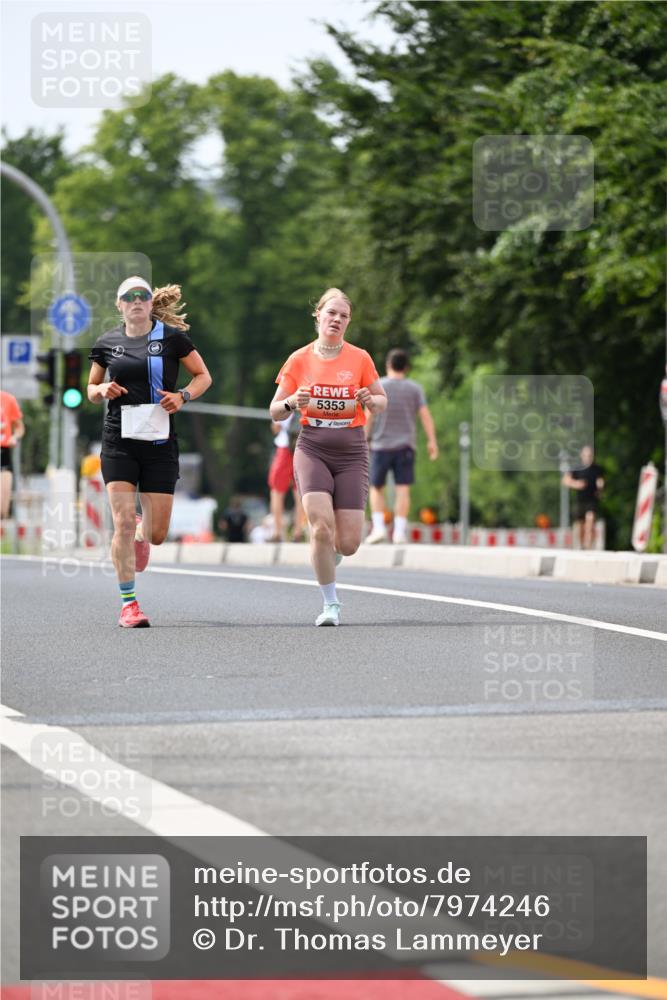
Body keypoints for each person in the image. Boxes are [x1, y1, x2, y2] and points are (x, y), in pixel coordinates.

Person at [87, 276, 212, 627]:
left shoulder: (172, 339)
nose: (137, 301)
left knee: (156, 534)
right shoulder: (107, 342)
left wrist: (183, 396)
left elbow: (203, 376)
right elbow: (90, 386)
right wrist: (101, 391)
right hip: (119, 442)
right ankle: (129, 603)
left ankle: (144, 530)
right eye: (129, 297)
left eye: (142, 295)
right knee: (122, 522)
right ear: (120, 304)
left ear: (149, 301)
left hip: (159, 444)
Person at [269, 287, 387, 626]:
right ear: (318, 315)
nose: (337, 319)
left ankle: (329, 555)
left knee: (348, 543)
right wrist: (293, 403)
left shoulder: (360, 358)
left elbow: (381, 401)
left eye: (344, 316)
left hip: (351, 450)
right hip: (313, 447)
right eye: (331, 312)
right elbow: (275, 411)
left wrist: (370, 399)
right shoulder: (299, 359)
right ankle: (330, 604)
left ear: (348, 323)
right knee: (320, 527)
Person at [365, 348, 438, 544]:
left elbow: (369, 415)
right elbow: (425, 416)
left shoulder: (379, 385)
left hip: (380, 445)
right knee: (403, 489)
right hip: (406, 445)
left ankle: (379, 528)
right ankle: (399, 532)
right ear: (406, 367)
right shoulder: (415, 389)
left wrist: (362, 439)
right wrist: (432, 441)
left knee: (376, 487)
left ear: (388, 365)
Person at [268, 412, 307, 541]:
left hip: (285, 449)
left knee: (277, 491)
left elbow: (276, 428)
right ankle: (298, 531)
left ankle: (277, 532)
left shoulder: (286, 396)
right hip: (304, 448)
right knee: (300, 492)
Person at [562, 444, 605, 550]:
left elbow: (600, 480)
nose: (588, 457)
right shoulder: (577, 468)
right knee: (580, 525)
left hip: (592, 499)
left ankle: (589, 546)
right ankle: (581, 546)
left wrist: (600, 487)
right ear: (582, 456)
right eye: (586, 455)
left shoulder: (597, 469)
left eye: (590, 455)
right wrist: (576, 484)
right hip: (580, 500)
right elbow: (565, 480)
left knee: (590, 521)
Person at [0, 390, 25, 520]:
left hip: (3, 452)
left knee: (3, 508)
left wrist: (14, 437)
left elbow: (19, 427)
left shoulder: (8, 399)